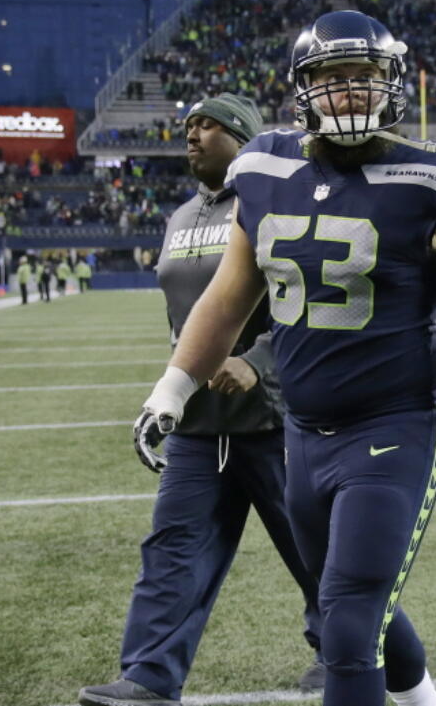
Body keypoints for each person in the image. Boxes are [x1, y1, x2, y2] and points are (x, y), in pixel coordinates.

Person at [131, 11, 436, 706]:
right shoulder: (264, 165)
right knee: (352, 601)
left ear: (391, 84)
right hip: (302, 430)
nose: (349, 90)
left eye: (364, 76)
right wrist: (173, 388)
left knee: (348, 622)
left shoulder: (435, 176)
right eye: (331, 76)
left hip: (395, 424)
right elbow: (228, 298)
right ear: (302, 87)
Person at [79, 94, 324, 706]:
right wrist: (173, 389)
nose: (191, 135)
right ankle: (150, 675)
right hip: (199, 422)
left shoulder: (271, 201)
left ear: (241, 136)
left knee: (315, 547)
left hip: (273, 416)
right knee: (173, 547)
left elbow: (309, 301)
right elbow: (181, 320)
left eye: (206, 125)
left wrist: (258, 362)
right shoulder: (181, 215)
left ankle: (343, 648)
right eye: (187, 125)